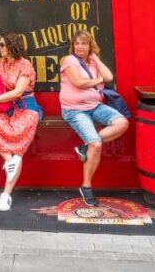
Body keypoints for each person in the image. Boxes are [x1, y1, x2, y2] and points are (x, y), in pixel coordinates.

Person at [60, 30, 128, 207]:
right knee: (96, 144)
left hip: (95, 106)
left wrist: (95, 58)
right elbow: (79, 82)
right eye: (77, 43)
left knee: (122, 123)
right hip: (74, 110)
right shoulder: (68, 61)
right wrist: (97, 80)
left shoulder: (92, 61)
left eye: (84, 43)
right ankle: (86, 186)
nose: (80, 47)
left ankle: (84, 145)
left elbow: (109, 77)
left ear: (90, 46)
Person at [0, 33, 41, 212]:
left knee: (17, 144)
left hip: (26, 108)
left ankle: (6, 194)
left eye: (3, 45)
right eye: (0, 45)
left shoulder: (25, 65)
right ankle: (9, 160)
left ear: (12, 46)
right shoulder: (1, 63)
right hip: (6, 109)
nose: (0, 48)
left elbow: (18, 92)